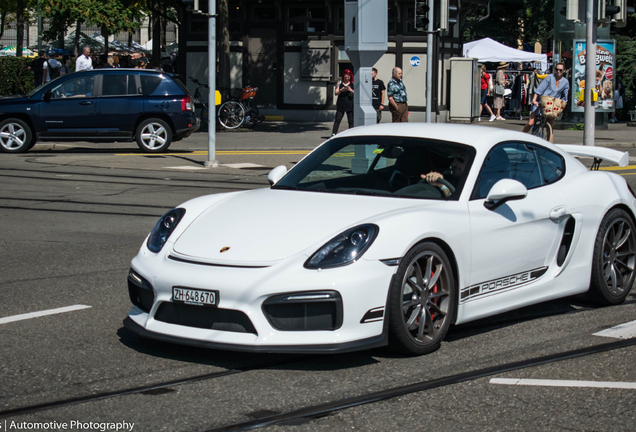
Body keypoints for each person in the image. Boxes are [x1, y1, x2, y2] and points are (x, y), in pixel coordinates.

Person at [522, 62, 569, 143]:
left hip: (551, 105)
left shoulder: (565, 82)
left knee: (550, 126)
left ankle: (550, 147)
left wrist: (562, 105)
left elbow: (565, 97)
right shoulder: (550, 77)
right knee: (530, 123)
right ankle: (520, 137)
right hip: (541, 102)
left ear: (564, 71)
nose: (558, 71)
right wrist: (534, 100)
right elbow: (540, 89)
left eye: (560, 70)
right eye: (556, 69)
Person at [332, 69, 355, 136]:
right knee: (338, 119)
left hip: (350, 103)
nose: (346, 78)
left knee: (351, 120)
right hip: (341, 103)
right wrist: (341, 90)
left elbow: (357, 93)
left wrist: (350, 90)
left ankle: (351, 133)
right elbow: (336, 93)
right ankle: (334, 133)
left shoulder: (352, 83)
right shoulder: (339, 82)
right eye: (345, 77)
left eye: (348, 77)